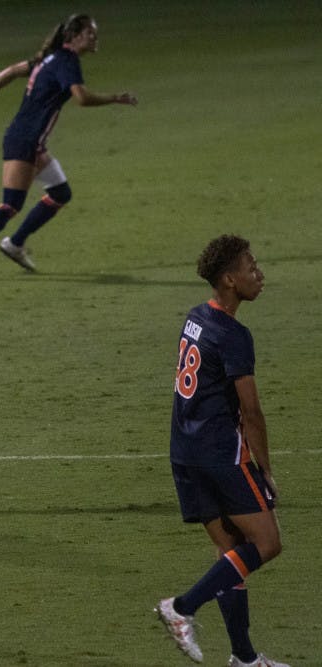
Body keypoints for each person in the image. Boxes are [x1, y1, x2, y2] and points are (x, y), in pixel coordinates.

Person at [155, 235, 288, 667]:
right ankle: (182, 606)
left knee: (230, 552)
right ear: (229, 280)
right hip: (219, 454)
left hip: (184, 451)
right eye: (251, 267)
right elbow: (252, 412)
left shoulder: (196, 318)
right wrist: (264, 468)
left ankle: (244, 659)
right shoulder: (234, 335)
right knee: (266, 543)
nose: (259, 273)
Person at [0, 13, 137, 277]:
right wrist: (115, 98)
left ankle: (15, 244)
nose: (95, 38)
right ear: (74, 37)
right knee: (11, 205)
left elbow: (13, 71)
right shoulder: (66, 60)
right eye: (90, 33)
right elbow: (81, 98)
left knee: (61, 193)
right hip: (26, 140)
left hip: (29, 140)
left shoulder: (49, 59)